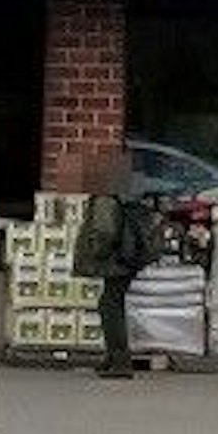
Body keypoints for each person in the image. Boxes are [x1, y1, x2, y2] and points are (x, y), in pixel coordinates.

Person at [71, 150, 160, 379]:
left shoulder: (106, 197)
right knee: (110, 303)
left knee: (110, 307)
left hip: (116, 259)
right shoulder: (128, 194)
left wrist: (95, 253)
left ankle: (120, 361)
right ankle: (113, 357)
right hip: (128, 257)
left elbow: (104, 230)